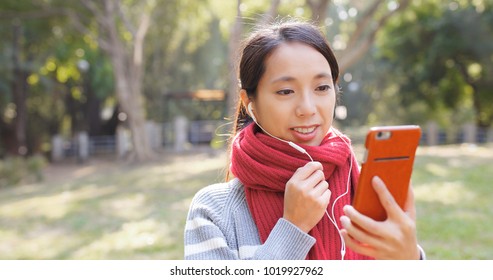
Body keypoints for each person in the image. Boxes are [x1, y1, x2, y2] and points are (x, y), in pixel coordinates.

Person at [184, 19, 425, 260]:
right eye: (286, 91)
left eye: (321, 87)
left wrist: (409, 260)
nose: (307, 108)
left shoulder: (369, 194)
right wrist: (292, 228)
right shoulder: (214, 210)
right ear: (250, 103)